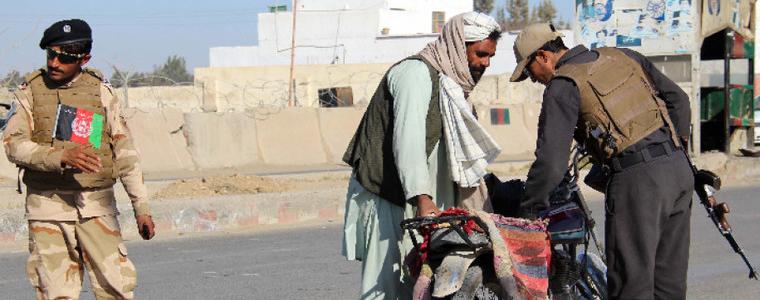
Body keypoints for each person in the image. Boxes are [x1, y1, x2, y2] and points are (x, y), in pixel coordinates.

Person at [510, 23, 693, 299]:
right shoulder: (622, 56)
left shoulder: (563, 84)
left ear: (542, 57)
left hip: (638, 183)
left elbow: (551, 162)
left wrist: (529, 210)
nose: (533, 80)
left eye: (529, 71)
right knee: (668, 285)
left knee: (631, 286)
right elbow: (679, 100)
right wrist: (677, 152)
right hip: (678, 171)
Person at [341, 12, 502, 299]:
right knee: (385, 287)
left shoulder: (452, 87)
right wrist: (422, 198)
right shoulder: (415, 74)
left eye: (490, 56)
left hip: (424, 202)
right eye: (480, 54)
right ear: (457, 44)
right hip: (388, 196)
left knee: (421, 285)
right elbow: (409, 138)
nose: (485, 63)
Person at [3, 19, 155, 300]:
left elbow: (125, 151)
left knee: (115, 290)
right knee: (56, 293)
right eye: (51, 54)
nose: (55, 63)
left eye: (64, 58)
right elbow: (14, 146)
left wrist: (141, 206)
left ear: (84, 59)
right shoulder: (29, 91)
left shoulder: (100, 91)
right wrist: (58, 156)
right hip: (47, 207)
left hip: (96, 206)